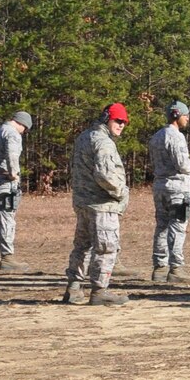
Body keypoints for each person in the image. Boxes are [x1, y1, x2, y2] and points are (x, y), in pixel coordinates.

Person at [64, 104, 130, 306]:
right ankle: (100, 290)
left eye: (124, 122)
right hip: (102, 204)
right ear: (106, 118)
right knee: (105, 247)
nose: (121, 125)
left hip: (84, 202)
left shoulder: (84, 137)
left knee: (82, 247)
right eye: (117, 121)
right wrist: (121, 192)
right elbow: (105, 175)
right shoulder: (104, 143)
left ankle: (74, 288)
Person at [147, 101, 190, 282]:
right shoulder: (176, 137)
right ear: (178, 116)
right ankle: (176, 268)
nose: (188, 118)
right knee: (178, 227)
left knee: (161, 226)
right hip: (177, 188)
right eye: (185, 115)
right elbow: (183, 165)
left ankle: (159, 267)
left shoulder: (156, 136)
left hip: (160, 186)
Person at [0, 111, 32, 270]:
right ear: (22, 124)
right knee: (7, 218)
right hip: (5, 184)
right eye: (26, 129)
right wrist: (13, 174)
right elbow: (12, 155)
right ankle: (8, 257)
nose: (24, 132)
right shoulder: (12, 134)